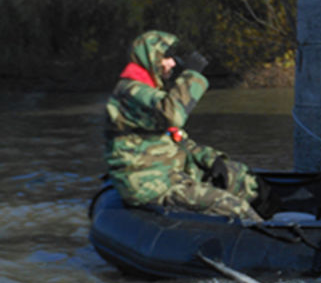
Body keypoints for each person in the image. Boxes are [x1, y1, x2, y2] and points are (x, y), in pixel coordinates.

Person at [103, 30, 269, 223]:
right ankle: (268, 237)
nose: (172, 63)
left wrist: (210, 159)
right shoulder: (130, 93)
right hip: (149, 183)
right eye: (166, 58)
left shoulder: (150, 91)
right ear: (151, 58)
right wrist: (191, 75)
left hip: (170, 170)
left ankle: (285, 220)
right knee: (232, 206)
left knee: (244, 179)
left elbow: (177, 137)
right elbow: (173, 115)